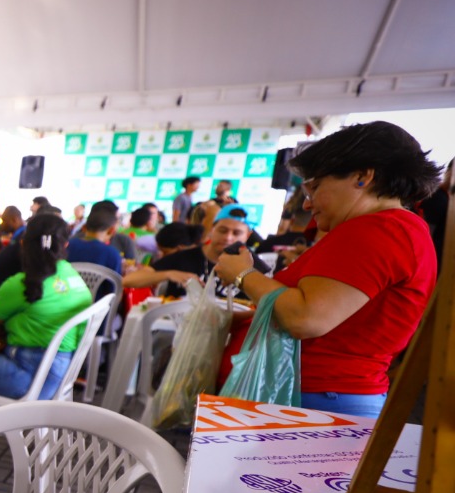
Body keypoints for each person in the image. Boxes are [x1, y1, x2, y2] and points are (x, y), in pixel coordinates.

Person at [213, 121, 439, 419]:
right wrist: (250, 318)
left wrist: (244, 275)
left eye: (315, 188)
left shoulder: (381, 229)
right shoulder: (389, 229)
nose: (308, 204)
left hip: (317, 401)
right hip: (317, 398)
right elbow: (343, 319)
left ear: (362, 176)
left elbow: (306, 318)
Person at [0, 214, 94, 400]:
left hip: (28, 377)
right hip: (59, 373)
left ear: (23, 244)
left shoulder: (24, 283)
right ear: (65, 245)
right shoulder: (75, 278)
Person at [127, 205, 269, 298]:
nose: (228, 237)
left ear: (247, 236)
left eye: (236, 233)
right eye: (222, 230)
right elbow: (128, 280)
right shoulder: (184, 257)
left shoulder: (256, 268)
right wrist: (168, 273)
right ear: (212, 230)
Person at [65, 204, 124, 279]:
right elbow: (115, 285)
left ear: (83, 227)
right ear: (111, 231)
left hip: (68, 289)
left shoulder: (68, 245)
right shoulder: (112, 254)